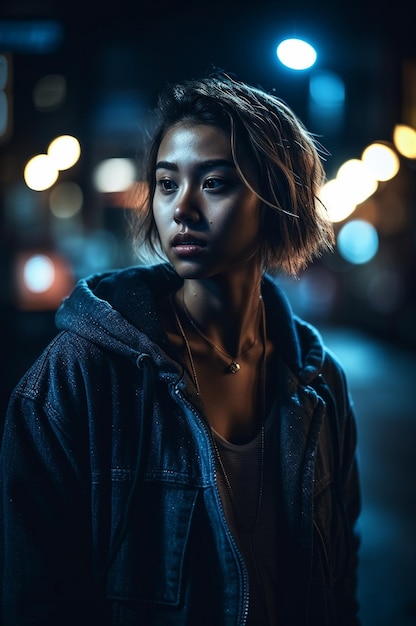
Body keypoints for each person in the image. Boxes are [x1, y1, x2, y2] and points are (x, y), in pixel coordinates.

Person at [0, 72, 361, 625]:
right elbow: (35, 596)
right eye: (167, 184)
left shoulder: (318, 385)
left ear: (275, 200)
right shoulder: (80, 376)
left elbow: (339, 582)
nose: (182, 210)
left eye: (214, 183)